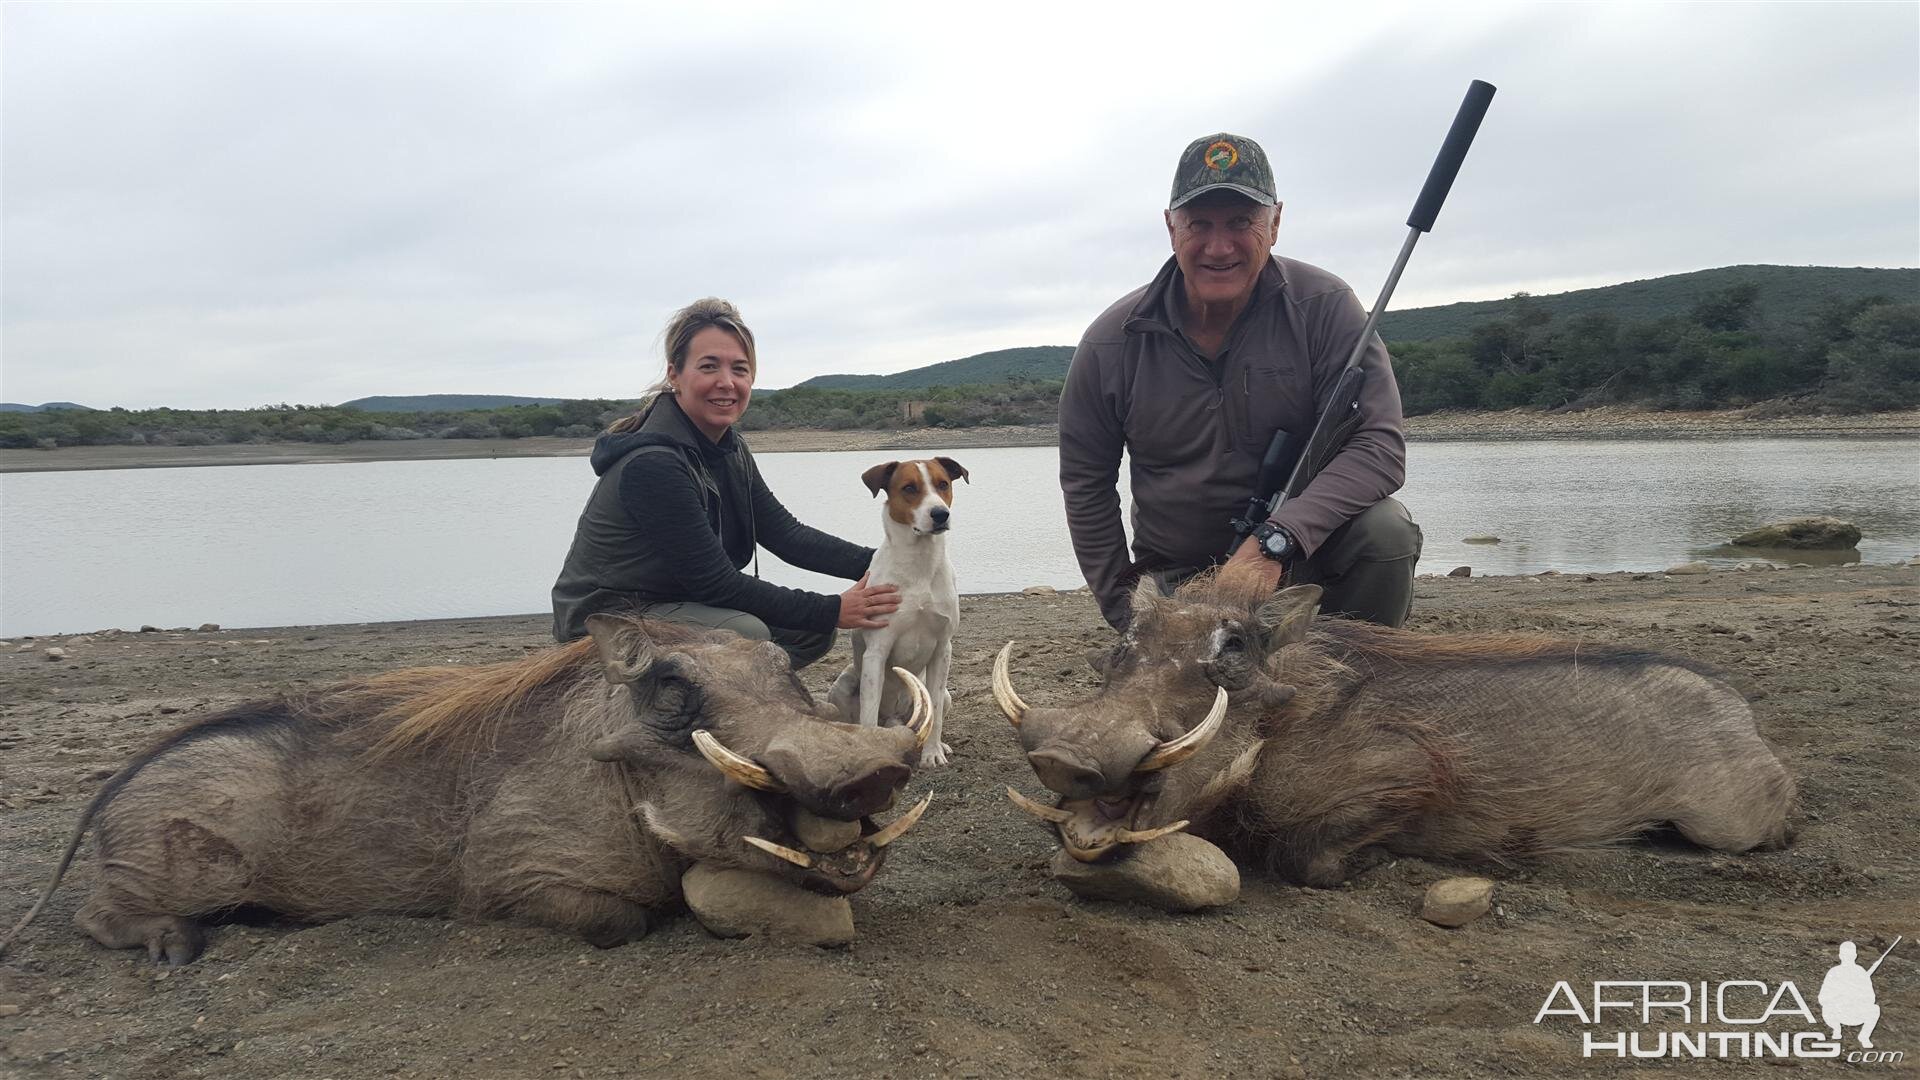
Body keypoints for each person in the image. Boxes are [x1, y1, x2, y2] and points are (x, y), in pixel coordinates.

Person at [1059, 132, 1422, 631]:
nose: (1219, 245)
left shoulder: (1327, 306)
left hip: (1302, 551)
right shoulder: (1108, 344)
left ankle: (1361, 678)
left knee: (1386, 531)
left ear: (1275, 223)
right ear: (1170, 227)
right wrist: (1125, 612)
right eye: (1198, 224)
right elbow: (1086, 484)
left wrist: (1279, 538)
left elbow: (1379, 444)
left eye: (1241, 222)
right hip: (1179, 573)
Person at [551, 298, 898, 666]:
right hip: (606, 619)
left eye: (740, 369)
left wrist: (890, 562)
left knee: (808, 630)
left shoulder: (729, 449)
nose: (727, 383)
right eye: (709, 367)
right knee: (749, 635)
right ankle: (683, 709)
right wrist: (832, 607)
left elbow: (786, 535)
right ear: (674, 374)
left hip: (675, 604)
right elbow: (714, 583)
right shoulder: (653, 464)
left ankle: (709, 704)